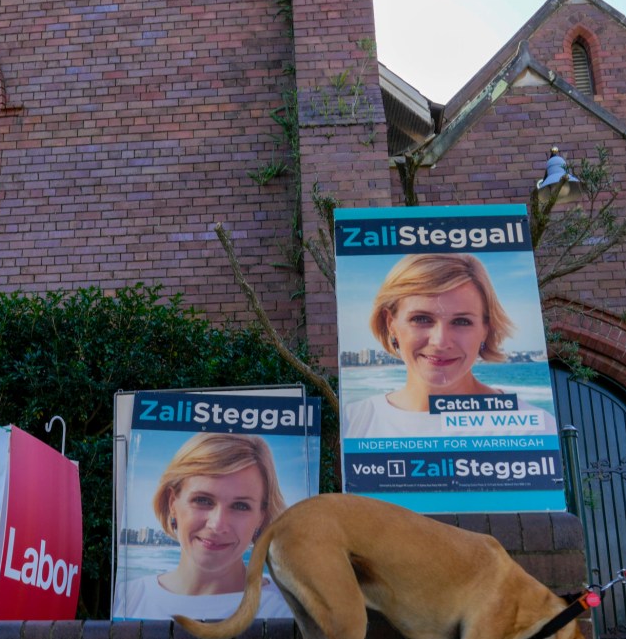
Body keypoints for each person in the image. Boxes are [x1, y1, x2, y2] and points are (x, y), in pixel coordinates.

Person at [343, 252, 554, 438]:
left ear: (485, 329)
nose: (441, 341)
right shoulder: (354, 422)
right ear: (391, 324)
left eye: (461, 321)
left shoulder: (533, 428)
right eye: (421, 318)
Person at [118, 432, 293, 620]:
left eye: (240, 506)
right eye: (202, 500)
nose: (217, 524)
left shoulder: (287, 609)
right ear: (172, 503)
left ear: (261, 516)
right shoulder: (127, 598)